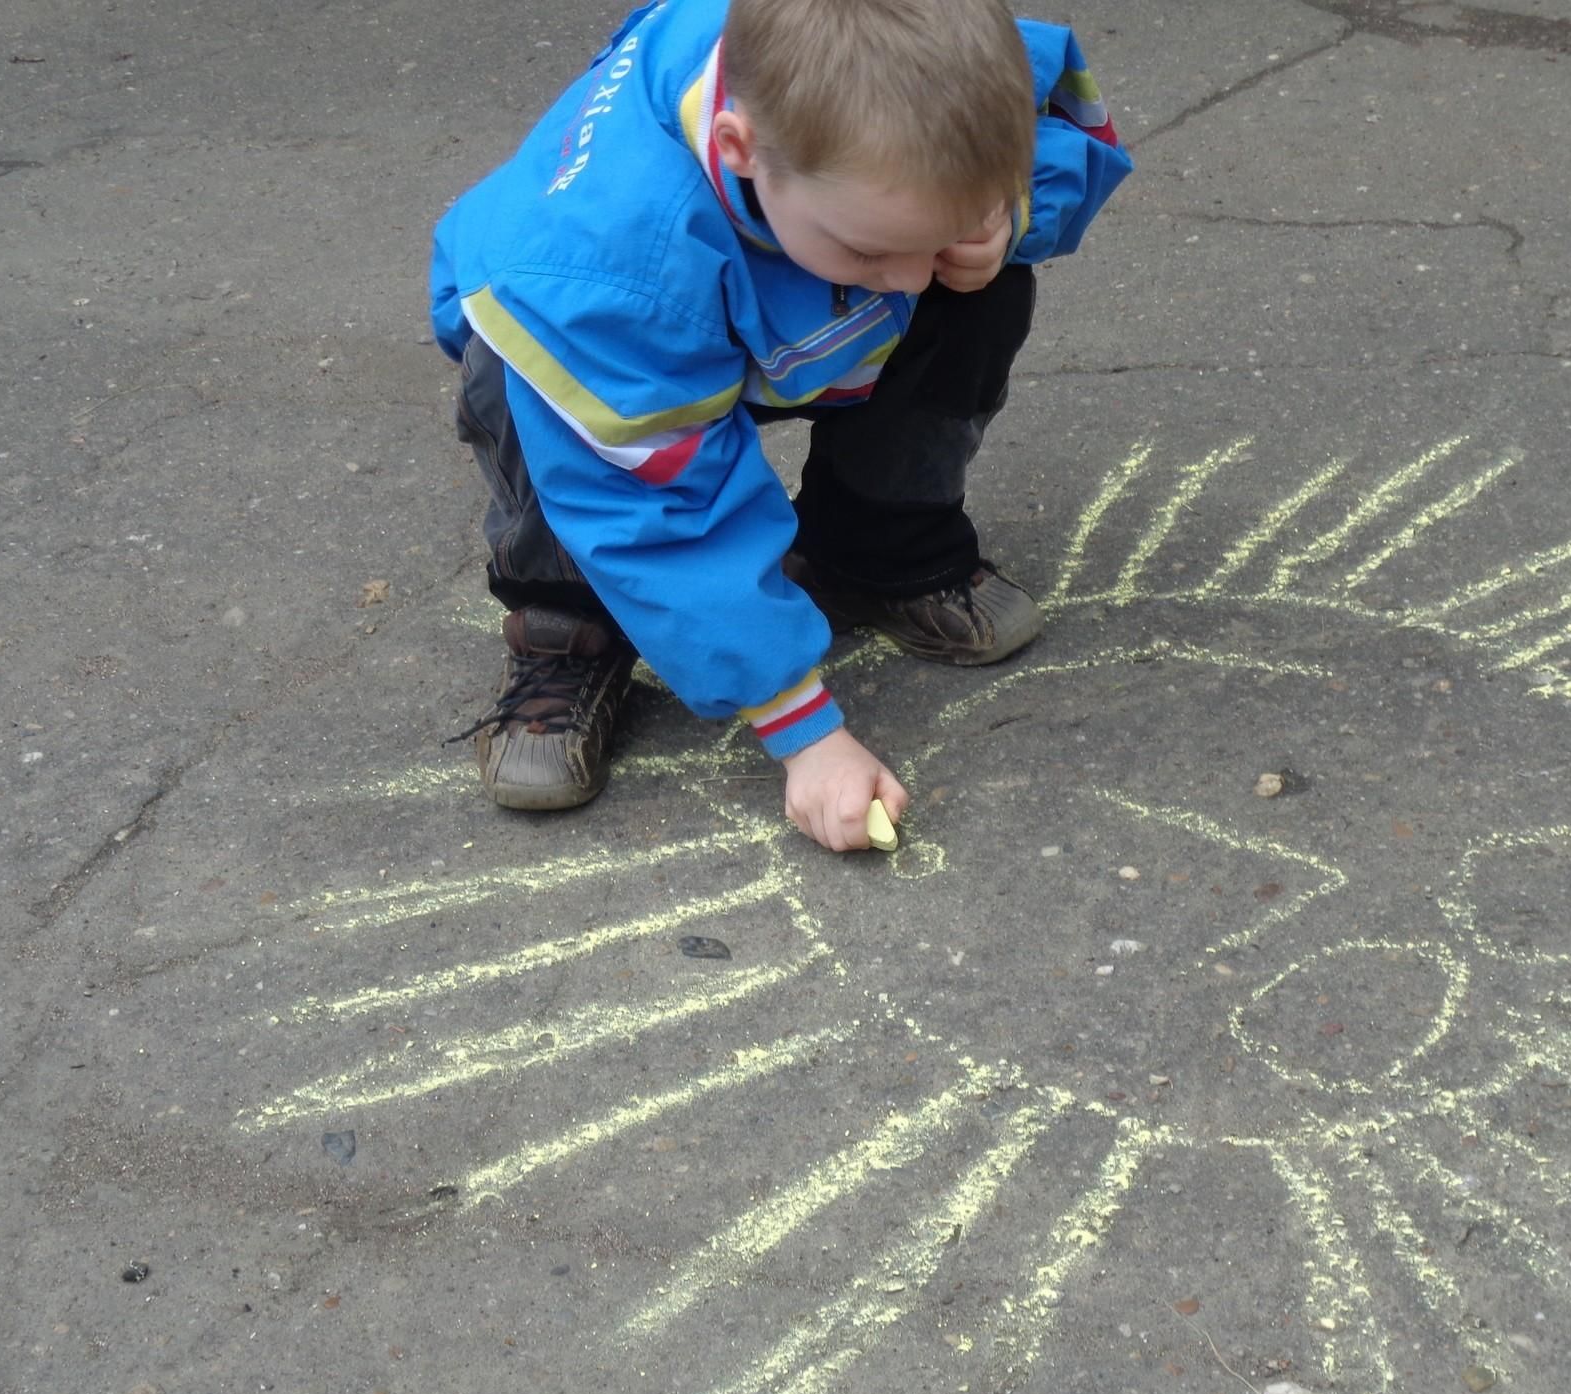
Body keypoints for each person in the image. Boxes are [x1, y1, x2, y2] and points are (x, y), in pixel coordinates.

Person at [430, 0, 1131, 849]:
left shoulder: (923, 59)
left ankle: (872, 548)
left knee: (982, 285)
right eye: (873, 251)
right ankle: (565, 630)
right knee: (538, 405)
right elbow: (660, 508)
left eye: (929, 238)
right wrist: (803, 731)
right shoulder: (603, 271)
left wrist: (1005, 215)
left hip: (780, 292)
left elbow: (1061, 133)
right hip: (590, 338)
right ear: (740, 148)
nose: (908, 279)